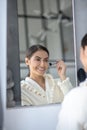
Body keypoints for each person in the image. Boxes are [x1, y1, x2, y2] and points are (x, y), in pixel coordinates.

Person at [56, 34, 87, 130]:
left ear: (83, 52)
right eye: (37, 59)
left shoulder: (78, 98)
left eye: (45, 60)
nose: (42, 64)